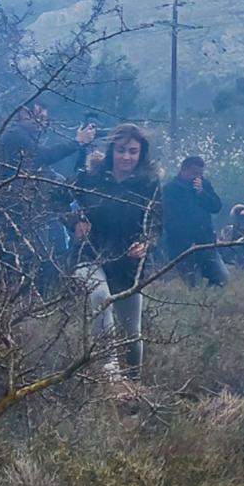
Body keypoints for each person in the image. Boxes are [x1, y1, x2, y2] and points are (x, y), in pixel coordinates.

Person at [72, 123, 161, 378]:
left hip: (128, 263)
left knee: (132, 333)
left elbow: (157, 221)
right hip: (90, 254)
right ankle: (109, 368)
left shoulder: (149, 184)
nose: (126, 157)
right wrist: (74, 221)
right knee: (99, 296)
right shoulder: (90, 176)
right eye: (121, 150)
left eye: (132, 151)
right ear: (111, 150)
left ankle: (134, 384)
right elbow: (59, 199)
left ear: (140, 154)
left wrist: (146, 242)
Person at [161, 155, 225, 285]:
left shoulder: (204, 185)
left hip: (206, 244)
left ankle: (210, 302)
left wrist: (202, 193)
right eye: (195, 173)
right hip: (183, 248)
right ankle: (199, 304)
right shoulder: (170, 189)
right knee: (194, 285)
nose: (198, 177)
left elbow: (216, 206)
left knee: (222, 277)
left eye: (200, 174)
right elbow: (170, 220)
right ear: (184, 170)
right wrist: (187, 241)